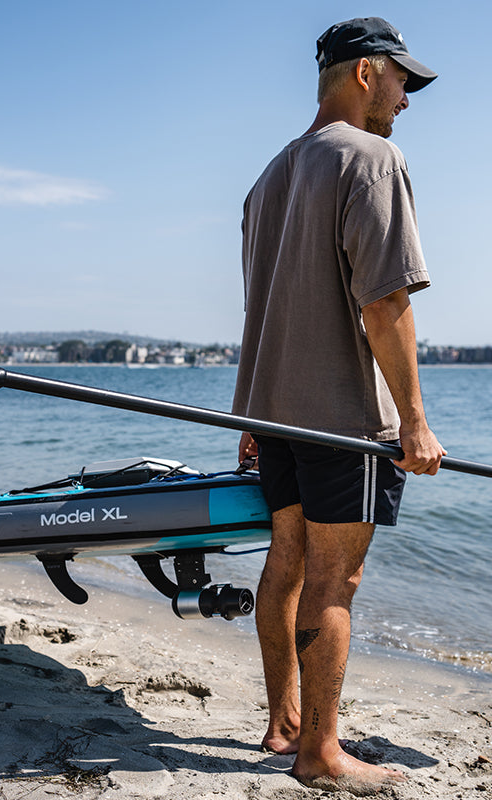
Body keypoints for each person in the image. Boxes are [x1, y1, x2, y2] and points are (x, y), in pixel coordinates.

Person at [231, 17, 446, 795]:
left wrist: (249, 418)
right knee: (335, 579)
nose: (406, 101)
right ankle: (320, 750)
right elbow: (384, 303)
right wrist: (414, 418)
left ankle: (283, 723)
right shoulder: (372, 157)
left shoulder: (269, 176)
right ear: (364, 73)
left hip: (272, 412)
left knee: (285, 563)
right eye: (401, 81)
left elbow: (260, 307)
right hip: (344, 417)